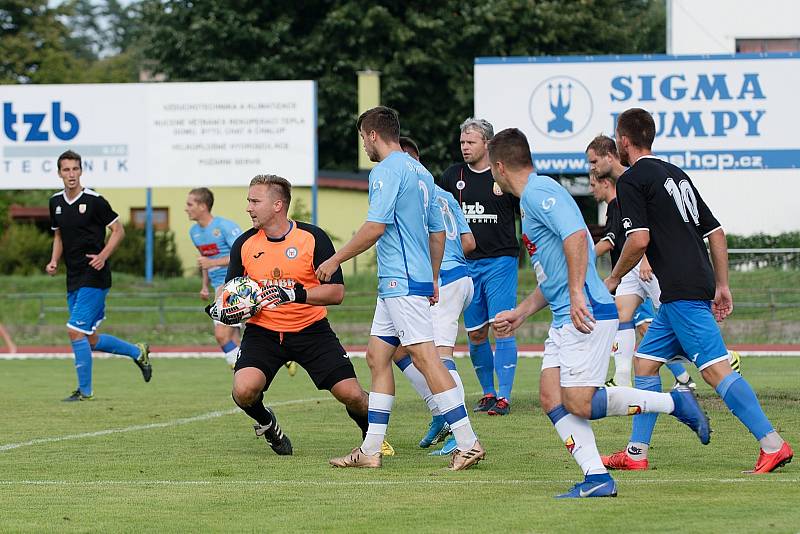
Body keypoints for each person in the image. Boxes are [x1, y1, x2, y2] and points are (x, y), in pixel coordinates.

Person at [489, 128, 710, 498]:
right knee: (550, 397)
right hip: (566, 314)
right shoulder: (530, 199)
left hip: (585, 312)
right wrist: (523, 312)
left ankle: (675, 402)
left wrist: (577, 293)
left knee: (579, 402)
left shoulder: (539, 192)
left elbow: (577, 237)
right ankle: (597, 477)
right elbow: (554, 273)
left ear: (499, 166)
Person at [603, 107, 793, 474]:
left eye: (616, 137)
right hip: (686, 290)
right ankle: (636, 453)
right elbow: (716, 233)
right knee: (645, 363)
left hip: (681, 289)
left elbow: (639, 239)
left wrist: (612, 279)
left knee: (715, 371)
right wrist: (721, 284)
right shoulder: (677, 175)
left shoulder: (630, 180)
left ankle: (773, 444)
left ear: (624, 140)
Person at [318, 106, 484, 470]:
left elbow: (375, 226)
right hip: (409, 280)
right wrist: (434, 276)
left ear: (373, 135)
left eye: (363, 137)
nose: (364, 145)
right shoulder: (421, 173)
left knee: (426, 358)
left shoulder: (386, 171)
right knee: (378, 356)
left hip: (401, 280)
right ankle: (371, 450)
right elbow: (437, 231)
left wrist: (335, 260)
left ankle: (468, 442)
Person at [209, 174, 377, 456]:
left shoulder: (313, 238)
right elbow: (229, 290)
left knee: (353, 395)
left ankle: (371, 438)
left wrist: (295, 294)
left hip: (311, 330)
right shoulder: (244, 244)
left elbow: (336, 293)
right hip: (263, 332)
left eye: (254, 201)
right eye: (248, 201)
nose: (248, 208)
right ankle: (268, 424)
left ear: (277, 205)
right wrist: (222, 308)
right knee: (243, 390)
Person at [46, 150, 152, 401]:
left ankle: (85, 392)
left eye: (75, 169)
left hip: (95, 275)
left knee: (74, 331)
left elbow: (118, 230)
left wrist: (103, 255)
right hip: (72, 278)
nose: (71, 174)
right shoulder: (55, 203)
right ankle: (138, 352)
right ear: (59, 173)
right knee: (89, 339)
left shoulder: (94, 200)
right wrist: (53, 260)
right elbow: (58, 235)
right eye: (66, 170)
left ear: (81, 171)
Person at [394, 136, 476, 457]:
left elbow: (426, 238)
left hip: (442, 279)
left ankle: (460, 431)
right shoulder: (444, 194)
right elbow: (468, 243)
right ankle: (439, 411)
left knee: (440, 355)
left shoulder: (412, 193)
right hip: (461, 277)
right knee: (400, 349)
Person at [438, 118, 519, 415]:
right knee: (475, 333)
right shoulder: (451, 177)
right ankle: (488, 392)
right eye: (462, 142)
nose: (465, 147)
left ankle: (505, 397)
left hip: (501, 261)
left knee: (502, 325)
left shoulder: (503, 175)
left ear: (487, 143)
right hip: (465, 266)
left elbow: (523, 214)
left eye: (470, 142)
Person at [186, 187, 244, 368]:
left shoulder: (224, 226)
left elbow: (242, 256)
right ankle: (248, 373)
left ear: (203, 206)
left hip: (235, 284)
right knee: (232, 338)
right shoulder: (194, 232)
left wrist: (212, 263)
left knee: (221, 335)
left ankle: (241, 367)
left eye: (190, 204)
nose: (186, 208)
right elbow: (205, 261)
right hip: (218, 286)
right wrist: (205, 285)